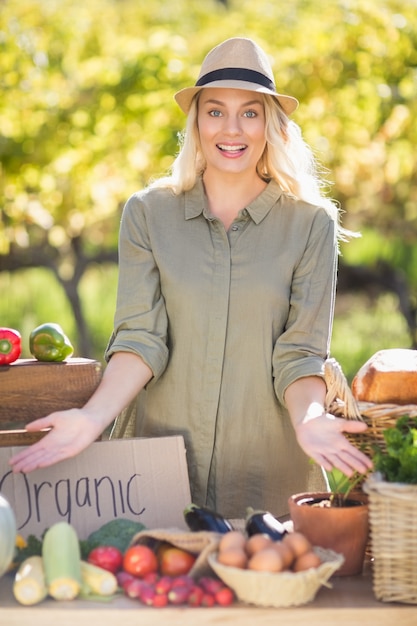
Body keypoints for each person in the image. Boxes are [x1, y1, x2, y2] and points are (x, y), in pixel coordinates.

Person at [9, 37, 372, 518]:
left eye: (250, 112)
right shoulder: (148, 214)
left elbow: (300, 352)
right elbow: (141, 338)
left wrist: (309, 419)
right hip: (156, 464)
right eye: (215, 111)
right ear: (196, 122)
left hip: (268, 467)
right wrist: (92, 417)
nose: (232, 128)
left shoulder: (310, 224)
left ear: (270, 124)